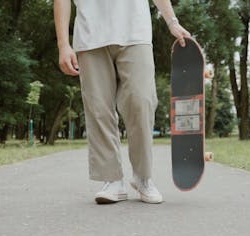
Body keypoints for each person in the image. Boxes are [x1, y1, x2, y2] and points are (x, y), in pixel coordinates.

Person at [54, 0, 190, 204]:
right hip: (90, 35)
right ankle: (112, 180)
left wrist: (172, 21)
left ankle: (143, 177)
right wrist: (63, 44)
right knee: (98, 108)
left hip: (135, 32)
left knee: (141, 100)